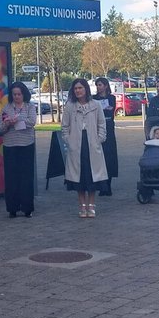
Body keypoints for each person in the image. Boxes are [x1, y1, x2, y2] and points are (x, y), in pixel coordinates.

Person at [62, 78, 108, 218]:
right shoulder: (70, 106)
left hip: (92, 145)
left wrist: (100, 139)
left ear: (86, 89)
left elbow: (102, 124)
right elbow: (65, 127)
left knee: (92, 176)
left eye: (80, 88)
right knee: (79, 177)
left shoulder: (96, 105)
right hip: (76, 145)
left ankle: (92, 204)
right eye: (75, 88)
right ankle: (82, 205)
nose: (78, 91)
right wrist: (68, 141)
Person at [0, 82, 37, 218]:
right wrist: (8, 123)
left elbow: (32, 121)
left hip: (26, 144)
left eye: (19, 94)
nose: (17, 97)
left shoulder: (30, 106)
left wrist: (18, 119)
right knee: (11, 178)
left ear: (24, 94)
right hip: (10, 146)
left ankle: (27, 208)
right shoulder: (6, 108)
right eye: (14, 94)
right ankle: (12, 208)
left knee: (26, 177)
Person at [93, 78, 119, 196]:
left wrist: (104, 110)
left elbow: (110, 111)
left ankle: (108, 184)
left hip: (108, 127)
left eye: (100, 85)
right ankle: (100, 184)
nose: (98, 87)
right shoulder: (94, 99)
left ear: (105, 86)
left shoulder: (111, 98)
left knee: (109, 156)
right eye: (97, 85)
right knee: (99, 156)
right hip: (97, 128)